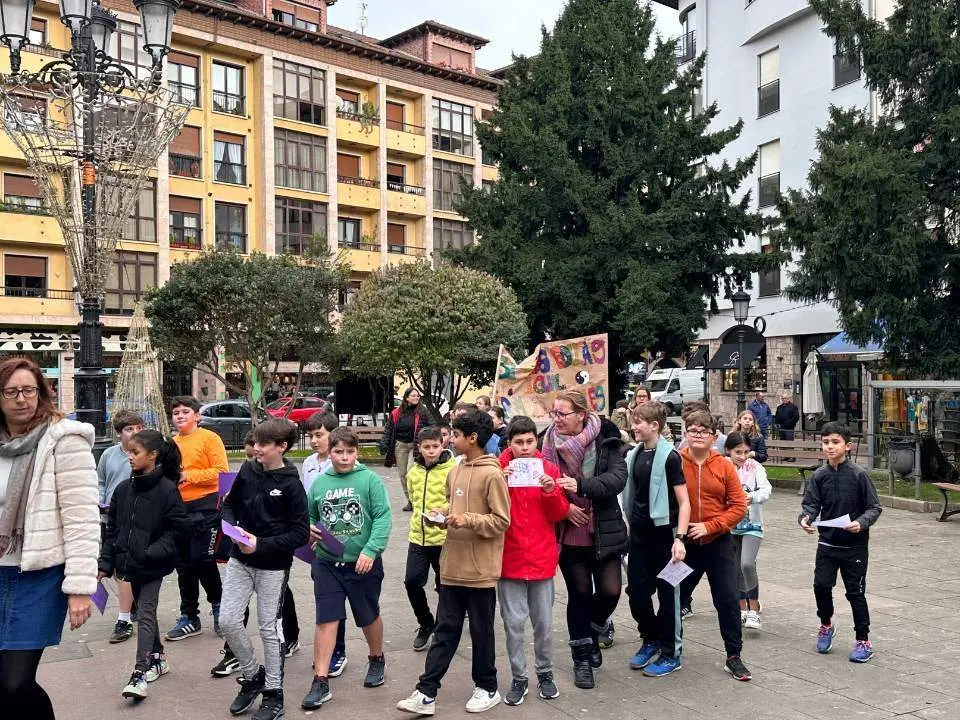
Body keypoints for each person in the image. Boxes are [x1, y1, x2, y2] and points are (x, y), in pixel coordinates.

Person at [0, 357, 99, 718]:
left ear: (42, 393)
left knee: (15, 683)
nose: (20, 399)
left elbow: (82, 519)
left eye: (28, 390)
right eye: (11, 391)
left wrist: (79, 588)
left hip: (38, 576)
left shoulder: (63, 441)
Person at [396, 410, 510, 715]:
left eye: (456, 434)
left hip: (480, 570)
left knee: (481, 631)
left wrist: (466, 519)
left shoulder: (492, 473)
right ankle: (426, 691)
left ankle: (487, 687)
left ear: (472, 438)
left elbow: (501, 521)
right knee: (445, 630)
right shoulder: (455, 470)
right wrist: (441, 515)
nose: (450, 439)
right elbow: (453, 505)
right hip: (452, 566)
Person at [220, 418, 309, 720]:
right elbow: (229, 504)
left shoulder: (291, 484)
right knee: (228, 621)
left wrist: (260, 544)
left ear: (281, 447)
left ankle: (274, 693)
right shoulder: (248, 469)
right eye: (255, 442)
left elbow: (299, 534)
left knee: (269, 629)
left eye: (262, 444)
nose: (255, 448)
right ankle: (252, 675)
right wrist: (233, 528)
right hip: (239, 560)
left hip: (272, 566)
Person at [303, 427, 392, 711]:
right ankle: (320, 680)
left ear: (357, 452)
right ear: (329, 453)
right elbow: (309, 515)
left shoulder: (369, 480)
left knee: (367, 616)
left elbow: (382, 517)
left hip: (363, 564)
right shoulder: (319, 483)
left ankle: (376, 658)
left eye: (350, 452)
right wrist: (309, 530)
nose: (344, 458)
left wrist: (370, 550)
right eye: (338, 452)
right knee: (326, 619)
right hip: (328, 563)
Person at [544, 390, 627, 690]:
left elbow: (618, 478)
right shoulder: (548, 442)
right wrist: (565, 508)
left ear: (581, 415)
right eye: (554, 413)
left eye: (562, 414)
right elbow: (544, 483)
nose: (556, 420)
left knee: (611, 591)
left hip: (603, 527)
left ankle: (593, 630)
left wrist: (581, 485)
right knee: (579, 594)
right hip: (569, 532)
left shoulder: (607, 438)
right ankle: (581, 659)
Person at [98, 430, 189, 701]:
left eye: (135, 452)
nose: (130, 457)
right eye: (129, 452)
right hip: (129, 564)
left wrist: (152, 552)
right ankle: (158, 657)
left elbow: (179, 529)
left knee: (146, 613)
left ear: (153, 456)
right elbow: (112, 530)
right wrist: (105, 563)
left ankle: (139, 673)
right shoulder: (124, 489)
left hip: (152, 565)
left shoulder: (167, 490)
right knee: (145, 613)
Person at [498, 415, 569, 704]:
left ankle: (545, 672)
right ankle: (519, 676)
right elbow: (489, 511)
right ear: (510, 443)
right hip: (509, 558)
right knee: (513, 624)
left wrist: (551, 491)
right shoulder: (498, 469)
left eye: (530, 441)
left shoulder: (549, 468)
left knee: (543, 623)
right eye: (519, 442)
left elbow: (559, 514)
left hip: (541, 558)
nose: (525, 448)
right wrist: (499, 485)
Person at [677, 411, 752, 681]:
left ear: (713, 437)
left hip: (718, 544)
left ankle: (734, 655)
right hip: (684, 546)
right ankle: (671, 647)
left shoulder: (723, 466)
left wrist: (711, 525)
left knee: (728, 600)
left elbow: (739, 506)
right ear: (685, 433)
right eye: (692, 430)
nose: (697, 435)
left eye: (703, 431)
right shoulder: (675, 462)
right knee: (673, 597)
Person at [799, 422, 882, 663]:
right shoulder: (819, 476)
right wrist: (806, 518)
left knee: (855, 593)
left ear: (848, 446)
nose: (830, 447)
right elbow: (811, 504)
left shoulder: (858, 474)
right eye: (826, 442)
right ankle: (826, 624)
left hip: (854, 546)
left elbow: (874, 507)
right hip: (827, 543)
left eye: (835, 442)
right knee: (821, 587)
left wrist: (861, 523)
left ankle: (863, 640)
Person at [621, 402, 690, 677]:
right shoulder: (634, 454)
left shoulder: (670, 457)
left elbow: (684, 502)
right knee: (636, 592)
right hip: (639, 534)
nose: (634, 426)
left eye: (639, 422)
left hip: (665, 534)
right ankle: (650, 638)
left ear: (654, 426)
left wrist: (680, 538)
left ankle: (672, 652)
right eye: (634, 420)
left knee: (668, 594)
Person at [167, 396, 229, 641]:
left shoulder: (209, 438)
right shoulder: (170, 443)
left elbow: (221, 472)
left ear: (197, 416)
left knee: (202, 559)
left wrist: (188, 476)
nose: (180, 416)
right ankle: (189, 615)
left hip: (206, 505)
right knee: (183, 563)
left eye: (185, 412)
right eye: (175, 413)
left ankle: (218, 606)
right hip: (179, 507)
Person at [298, 411, 349, 678]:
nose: (315, 440)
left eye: (319, 435)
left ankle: (339, 650)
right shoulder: (307, 463)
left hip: (340, 540)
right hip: (314, 540)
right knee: (324, 598)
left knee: (338, 598)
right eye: (311, 435)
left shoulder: (341, 464)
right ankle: (328, 650)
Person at [404, 425, 456, 652]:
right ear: (419, 448)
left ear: (442, 444)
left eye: (435, 446)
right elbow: (414, 500)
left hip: (444, 538)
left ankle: (445, 628)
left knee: (445, 587)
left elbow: (457, 500)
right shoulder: (414, 472)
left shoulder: (453, 469)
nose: (432, 451)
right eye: (427, 447)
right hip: (418, 537)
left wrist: (442, 511)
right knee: (412, 581)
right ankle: (426, 622)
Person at [97, 409, 144, 644]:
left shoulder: (148, 454)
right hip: (111, 517)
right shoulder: (109, 455)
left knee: (130, 566)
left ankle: (127, 614)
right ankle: (129, 607)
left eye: (138, 428)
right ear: (119, 434)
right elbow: (101, 481)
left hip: (137, 518)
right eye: (129, 429)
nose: (135, 433)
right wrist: (100, 499)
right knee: (117, 566)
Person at [725, 431, 772, 631]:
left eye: (746, 452)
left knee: (746, 564)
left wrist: (751, 497)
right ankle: (741, 607)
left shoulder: (755, 467)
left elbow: (766, 489)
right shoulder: (723, 466)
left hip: (752, 524)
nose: (742, 457)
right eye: (738, 452)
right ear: (729, 451)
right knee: (734, 568)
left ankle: (754, 608)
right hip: (730, 525)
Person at [380, 388, 432, 512]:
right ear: (406, 398)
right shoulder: (396, 413)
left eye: (417, 396)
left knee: (410, 473)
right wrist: (384, 443)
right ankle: (410, 501)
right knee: (403, 475)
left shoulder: (423, 411)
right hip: (400, 446)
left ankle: (416, 500)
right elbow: (388, 429)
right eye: (413, 396)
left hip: (415, 446)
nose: (416, 398)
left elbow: (432, 425)